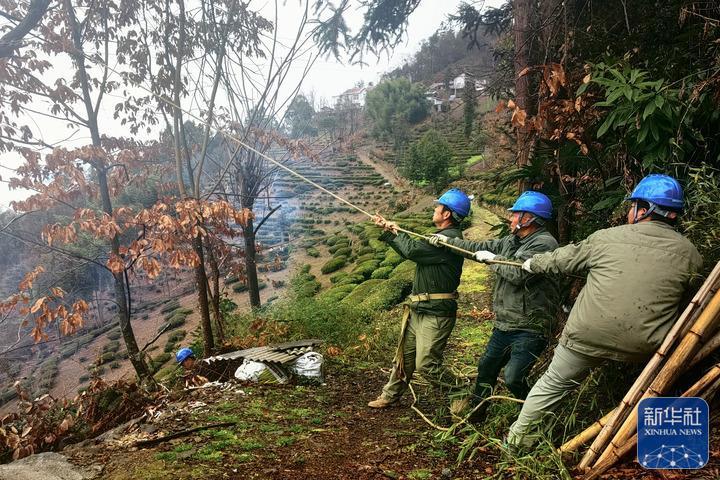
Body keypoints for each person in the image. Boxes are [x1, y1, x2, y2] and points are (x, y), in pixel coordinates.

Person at [506, 174, 703, 447]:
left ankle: (517, 443)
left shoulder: (606, 238)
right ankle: (660, 446)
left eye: (633, 206)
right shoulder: (690, 252)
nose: (629, 211)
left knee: (552, 384)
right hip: (646, 346)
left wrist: (532, 264)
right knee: (662, 386)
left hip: (588, 334)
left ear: (644, 209)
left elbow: (562, 260)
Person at [428, 191, 559, 421]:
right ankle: (477, 416)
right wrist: (449, 242)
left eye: (516, 214)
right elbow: (479, 245)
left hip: (530, 326)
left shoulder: (544, 244)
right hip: (505, 323)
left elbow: (518, 273)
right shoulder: (511, 240)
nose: (511, 219)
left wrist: (491, 259)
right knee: (486, 368)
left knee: (513, 377)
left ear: (529, 218)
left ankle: (536, 419)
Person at [367, 188, 470, 409]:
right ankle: (390, 394)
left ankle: (459, 390)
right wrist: (392, 231)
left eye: (438, 207)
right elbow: (415, 248)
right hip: (421, 307)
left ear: (447, 214)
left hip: (436, 312)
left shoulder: (448, 241)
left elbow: (413, 250)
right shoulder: (441, 238)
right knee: (405, 356)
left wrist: (392, 233)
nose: (434, 209)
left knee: (427, 364)